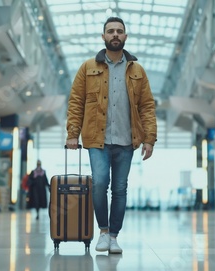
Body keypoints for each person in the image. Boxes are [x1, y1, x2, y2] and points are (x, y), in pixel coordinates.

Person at [66, 16, 157, 254]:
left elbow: (147, 106)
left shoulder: (137, 70)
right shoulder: (88, 68)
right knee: (99, 184)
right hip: (97, 139)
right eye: (110, 31)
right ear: (103, 36)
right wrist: (72, 134)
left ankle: (114, 237)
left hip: (127, 141)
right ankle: (103, 232)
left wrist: (149, 138)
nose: (115, 34)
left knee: (119, 189)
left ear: (125, 37)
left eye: (119, 31)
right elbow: (76, 102)